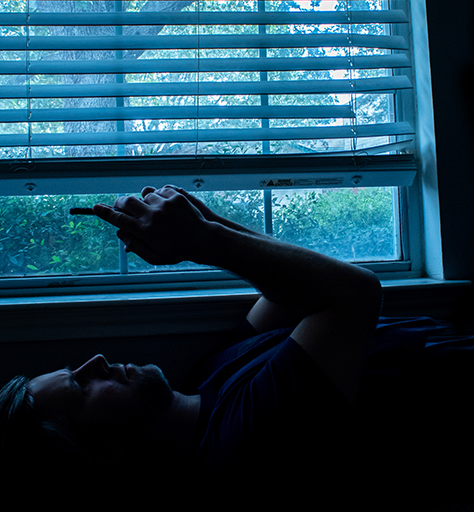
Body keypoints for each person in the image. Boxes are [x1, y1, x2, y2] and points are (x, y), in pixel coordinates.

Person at [0, 184, 382, 495]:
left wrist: (207, 224)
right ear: (104, 453)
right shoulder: (240, 444)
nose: (96, 360)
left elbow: (292, 294)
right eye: (81, 386)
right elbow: (353, 293)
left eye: (74, 368)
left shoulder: (205, 376)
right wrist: (201, 240)